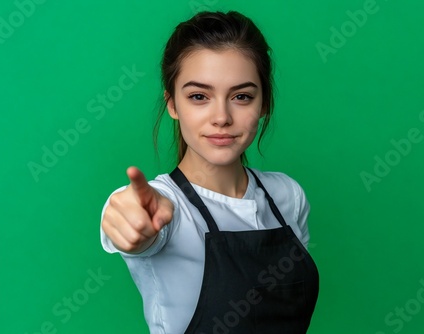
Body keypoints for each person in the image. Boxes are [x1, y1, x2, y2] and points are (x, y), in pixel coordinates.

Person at [100, 10, 319, 333]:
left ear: (264, 104)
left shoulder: (287, 195)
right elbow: (130, 216)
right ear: (173, 104)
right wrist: (130, 223)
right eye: (199, 96)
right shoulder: (165, 208)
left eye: (241, 96)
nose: (221, 117)